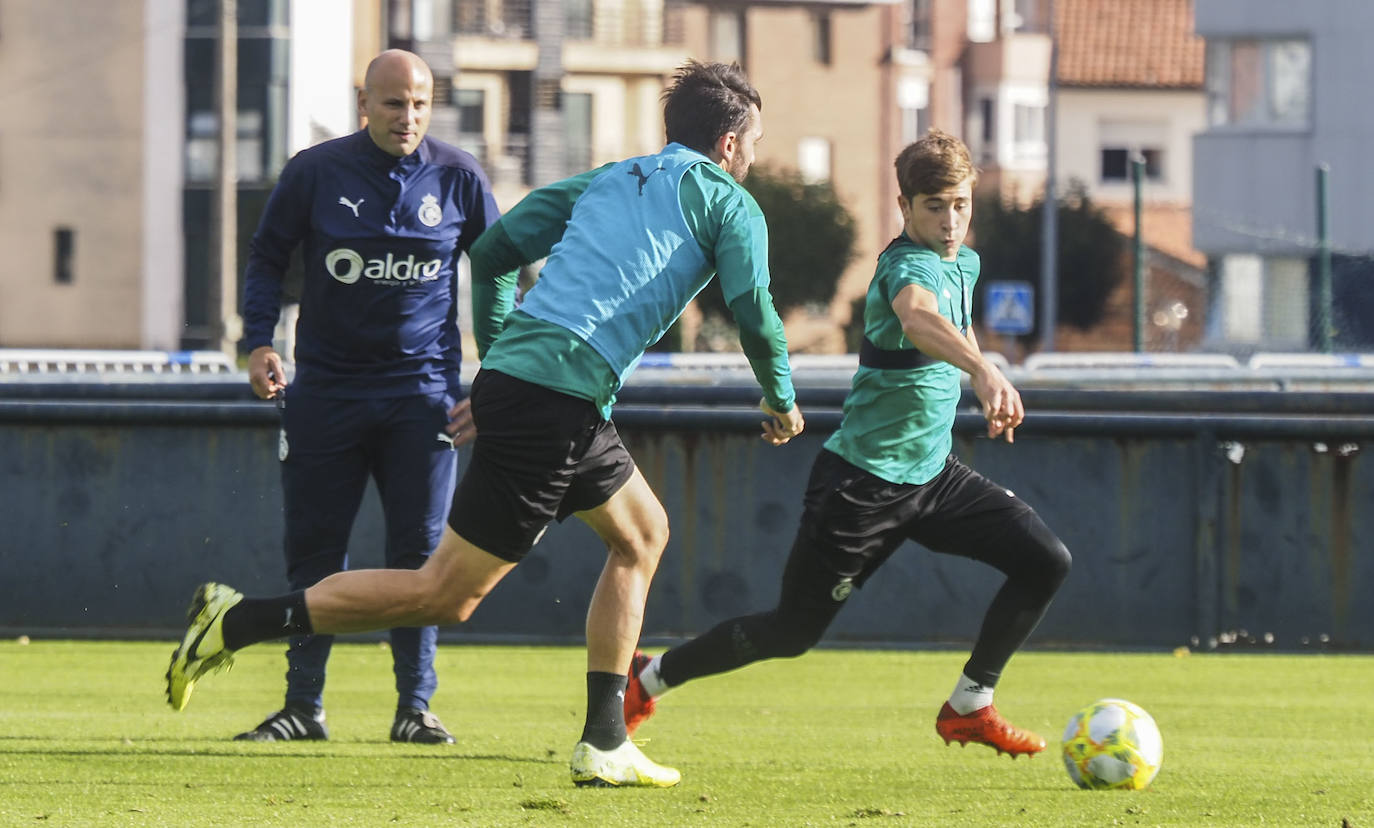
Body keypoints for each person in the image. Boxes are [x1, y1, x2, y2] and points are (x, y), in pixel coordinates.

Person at [166, 60, 806, 788]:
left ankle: (604, 738)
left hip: (548, 390)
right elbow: (754, 306)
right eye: (752, 140)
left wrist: (504, 360)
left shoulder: (610, 177)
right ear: (728, 144)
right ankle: (236, 621)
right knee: (445, 593)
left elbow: (496, 252)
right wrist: (780, 396)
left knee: (642, 534)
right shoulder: (731, 203)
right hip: (553, 399)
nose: (753, 155)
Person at [621, 129, 1072, 758]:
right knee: (790, 632)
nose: (950, 222)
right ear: (905, 207)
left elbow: (941, 341)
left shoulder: (963, 263)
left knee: (1046, 559)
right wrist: (985, 369)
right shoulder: (903, 266)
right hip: (860, 486)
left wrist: (975, 377)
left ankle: (970, 703)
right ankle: (646, 680)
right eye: (935, 206)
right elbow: (919, 318)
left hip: (933, 478)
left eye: (961, 205)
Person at [231, 49, 502, 745]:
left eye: (418, 104)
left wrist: (498, 376)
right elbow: (265, 258)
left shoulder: (460, 177)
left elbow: (500, 272)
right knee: (316, 551)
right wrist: (258, 341)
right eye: (392, 103)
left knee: (421, 556)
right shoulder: (314, 172)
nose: (406, 117)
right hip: (325, 391)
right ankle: (302, 707)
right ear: (365, 104)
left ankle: (415, 707)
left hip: (423, 396)